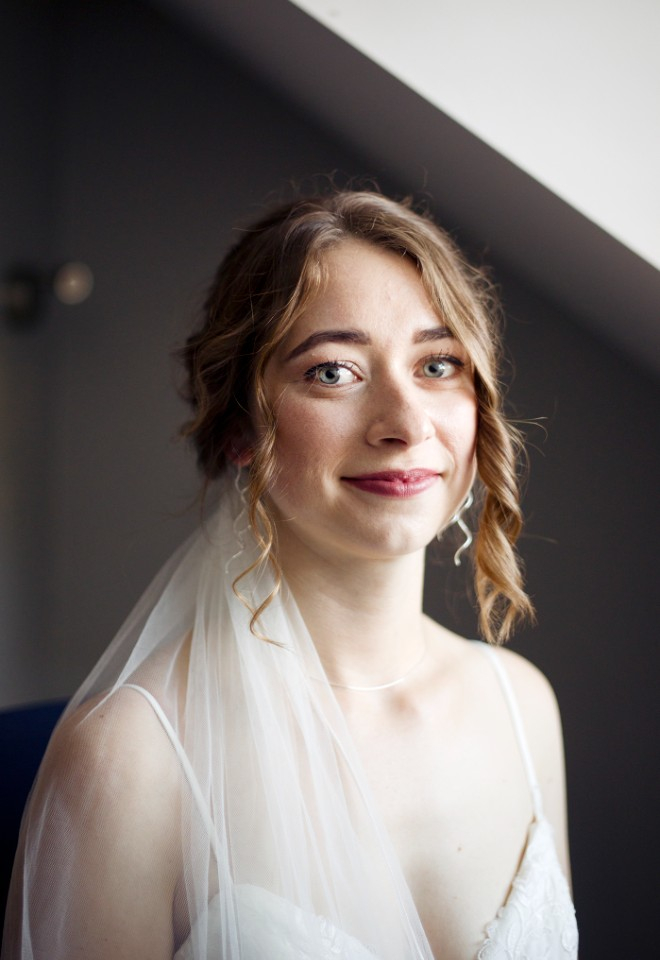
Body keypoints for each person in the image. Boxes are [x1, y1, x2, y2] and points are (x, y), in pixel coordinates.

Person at [2, 190, 578, 959]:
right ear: (240, 427)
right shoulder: (129, 759)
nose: (406, 423)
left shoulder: (523, 706)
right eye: (334, 372)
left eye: (438, 365)